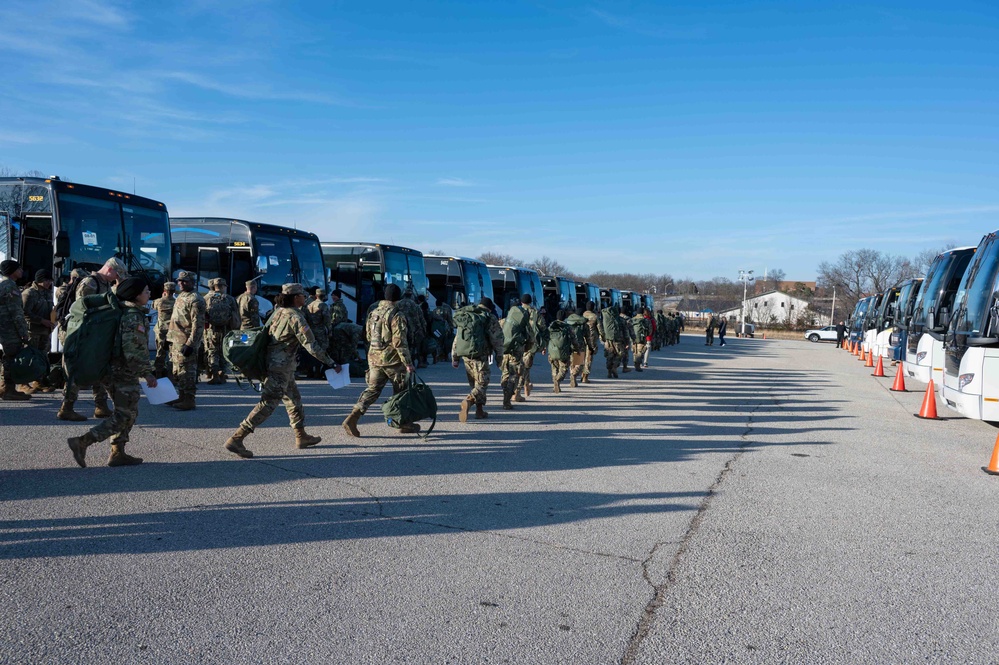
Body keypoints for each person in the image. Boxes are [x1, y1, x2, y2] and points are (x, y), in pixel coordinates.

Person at [225, 283, 339, 457]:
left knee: (294, 398)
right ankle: (237, 438)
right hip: (280, 368)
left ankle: (301, 436)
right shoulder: (296, 317)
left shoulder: (278, 312)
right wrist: (331, 363)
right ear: (295, 297)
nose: (305, 297)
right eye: (302, 295)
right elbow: (311, 345)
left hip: (276, 365)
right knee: (268, 403)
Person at [66, 277, 157, 468]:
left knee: (128, 411)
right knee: (125, 414)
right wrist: (147, 373)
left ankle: (118, 452)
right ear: (135, 294)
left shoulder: (122, 311)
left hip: (111, 370)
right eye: (146, 290)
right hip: (122, 372)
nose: (149, 294)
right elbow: (133, 349)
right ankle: (82, 442)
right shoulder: (133, 315)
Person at [341, 283, 418, 437]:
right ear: (399, 297)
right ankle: (402, 423)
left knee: (373, 390)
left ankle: (353, 417)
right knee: (401, 392)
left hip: (375, 358)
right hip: (393, 361)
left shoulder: (374, 312)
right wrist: (408, 363)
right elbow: (399, 342)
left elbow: (368, 336)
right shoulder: (397, 314)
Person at [58, 257, 128, 420]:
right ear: (109, 270)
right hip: (83, 333)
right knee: (77, 368)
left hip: (96, 333)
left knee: (100, 366)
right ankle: (66, 408)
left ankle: (101, 406)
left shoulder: (104, 284)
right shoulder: (89, 283)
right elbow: (82, 309)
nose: (117, 278)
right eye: (117, 274)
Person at [452, 296, 504, 421]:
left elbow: (458, 337)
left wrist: (455, 356)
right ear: (490, 308)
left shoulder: (467, 315)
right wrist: (499, 357)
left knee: (474, 383)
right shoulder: (489, 317)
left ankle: (479, 411)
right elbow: (497, 339)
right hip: (480, 356)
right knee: (482, 383)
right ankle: (468, 401)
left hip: (465, 355)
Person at [167, 271, 206, 411]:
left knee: (188, 371)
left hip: (186, 341)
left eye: (185, 281)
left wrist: (191, 343)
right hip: (176, 339)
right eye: (179, 281)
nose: (181, 283)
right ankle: (182, 396)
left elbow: (198, 324)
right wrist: (169, 337)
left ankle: (189, 399)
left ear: (192, 282)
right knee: (178, 370)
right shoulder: (181, 296)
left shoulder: (196, 300)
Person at [0, 260, 31, 400]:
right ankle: (9, 390)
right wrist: (23, 332)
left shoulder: (5, 284)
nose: (21, 271)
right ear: (12, 271)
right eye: (19, 268)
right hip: (9, 328)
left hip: (5, 327)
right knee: (11, 359)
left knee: (8, 357)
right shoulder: (10, 286)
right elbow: (16, 313)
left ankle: (5, 388)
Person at [21, 269, 55, 392]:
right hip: (32, 331)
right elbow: (24, 313)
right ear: (39, 280)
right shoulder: (29, 293)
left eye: (50, 280)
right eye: (46, 280)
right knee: (28, 357)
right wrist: (41, 321)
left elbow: (50, 309)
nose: (48, 283)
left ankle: (38, 381)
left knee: (42, 357)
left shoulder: (47, 293)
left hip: (45, 331)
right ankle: (23, 383)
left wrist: (53, 320)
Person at [204, 278, 240, 384]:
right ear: (223, 286)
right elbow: (236, 314)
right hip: (226, 329)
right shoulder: (230, 299)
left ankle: (214, 374)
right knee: (224, 351)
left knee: (213, 351)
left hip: (211, 329)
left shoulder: (206, 298)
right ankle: (222, 373)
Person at [516, 294, 546, 401]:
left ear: (521, 302)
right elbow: (543, 328)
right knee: (525, 367)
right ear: (530, 302)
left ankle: (526, 385)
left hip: (517, 343)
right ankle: (518, 391)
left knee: (521, 366)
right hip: (530, 344)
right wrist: (544, 345)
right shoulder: (535, 313)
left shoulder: (516, 312)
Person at [152, 282, 176, 378]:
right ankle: (171, 375)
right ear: (174, 291)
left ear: (164, 290)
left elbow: (153, 307)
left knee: (160, 351)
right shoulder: (177, 302)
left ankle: (158, 373)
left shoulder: (158, 301)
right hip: (172, 330)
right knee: (172, 353)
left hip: (161, 329)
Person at [580, 301, 600, 383]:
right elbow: (600, 328)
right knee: (588, 358)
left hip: (580, 339)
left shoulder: (581, 315)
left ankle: (574, 375)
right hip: (591, 340)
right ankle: (585, 377)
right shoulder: (595, 316)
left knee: (579, 356)